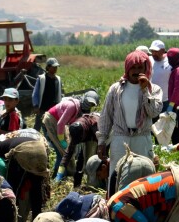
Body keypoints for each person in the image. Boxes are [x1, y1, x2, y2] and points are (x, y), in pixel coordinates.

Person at [97, 50, 163, 195]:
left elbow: (153, 112)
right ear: (127, 69)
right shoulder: (116, 89)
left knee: (144, 178)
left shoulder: (154, 90)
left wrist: (145, 90)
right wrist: (102, 141)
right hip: (120, 139)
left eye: (140, 68)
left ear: (146, 69)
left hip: (142, 139)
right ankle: (114, 209)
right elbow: (106, 117)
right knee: (117, 176)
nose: (137, 71)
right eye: (133, 68)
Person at [43, 91, 99, 177]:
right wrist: (61, 140)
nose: (89, 105)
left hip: (61, 124)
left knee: (65, 151)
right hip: (52, 120)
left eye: (91, 104)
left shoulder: (82, 114)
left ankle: (62, 175)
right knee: (62, 152)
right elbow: (60, 124)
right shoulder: (72, 106)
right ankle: (57, 176)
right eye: (88, 102)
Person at [57, 108, 101, 185]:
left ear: (83, 134)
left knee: (93, 161)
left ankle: (95, 183)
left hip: (98, 137)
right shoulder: (76, 130)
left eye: (79, 139)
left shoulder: (95, 128)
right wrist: (60, 171)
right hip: (88, 136)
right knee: (81, 160)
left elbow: (102, 146)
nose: (77, 141)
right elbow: (68, 153)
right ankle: (77, 184)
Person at [32, 57, 63, 131]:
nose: (55, 69)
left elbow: (59, 93)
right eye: (54, 67)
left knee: (51, 126)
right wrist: (36, 105)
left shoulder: (58, 79)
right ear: (48, 67)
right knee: (38, 125)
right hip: (42, 107)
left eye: (56, 67)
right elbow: (35, 93)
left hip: (53, 108)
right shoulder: (42, 78)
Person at [148, 40, 171, 109]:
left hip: (165, 100)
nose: (154, 53)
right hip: (151, 99)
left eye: (156, 51)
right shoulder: (148, 60)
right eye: (152, 51)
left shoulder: (170, 62)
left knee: (165, 119)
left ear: (163, 50)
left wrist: (171, 107)